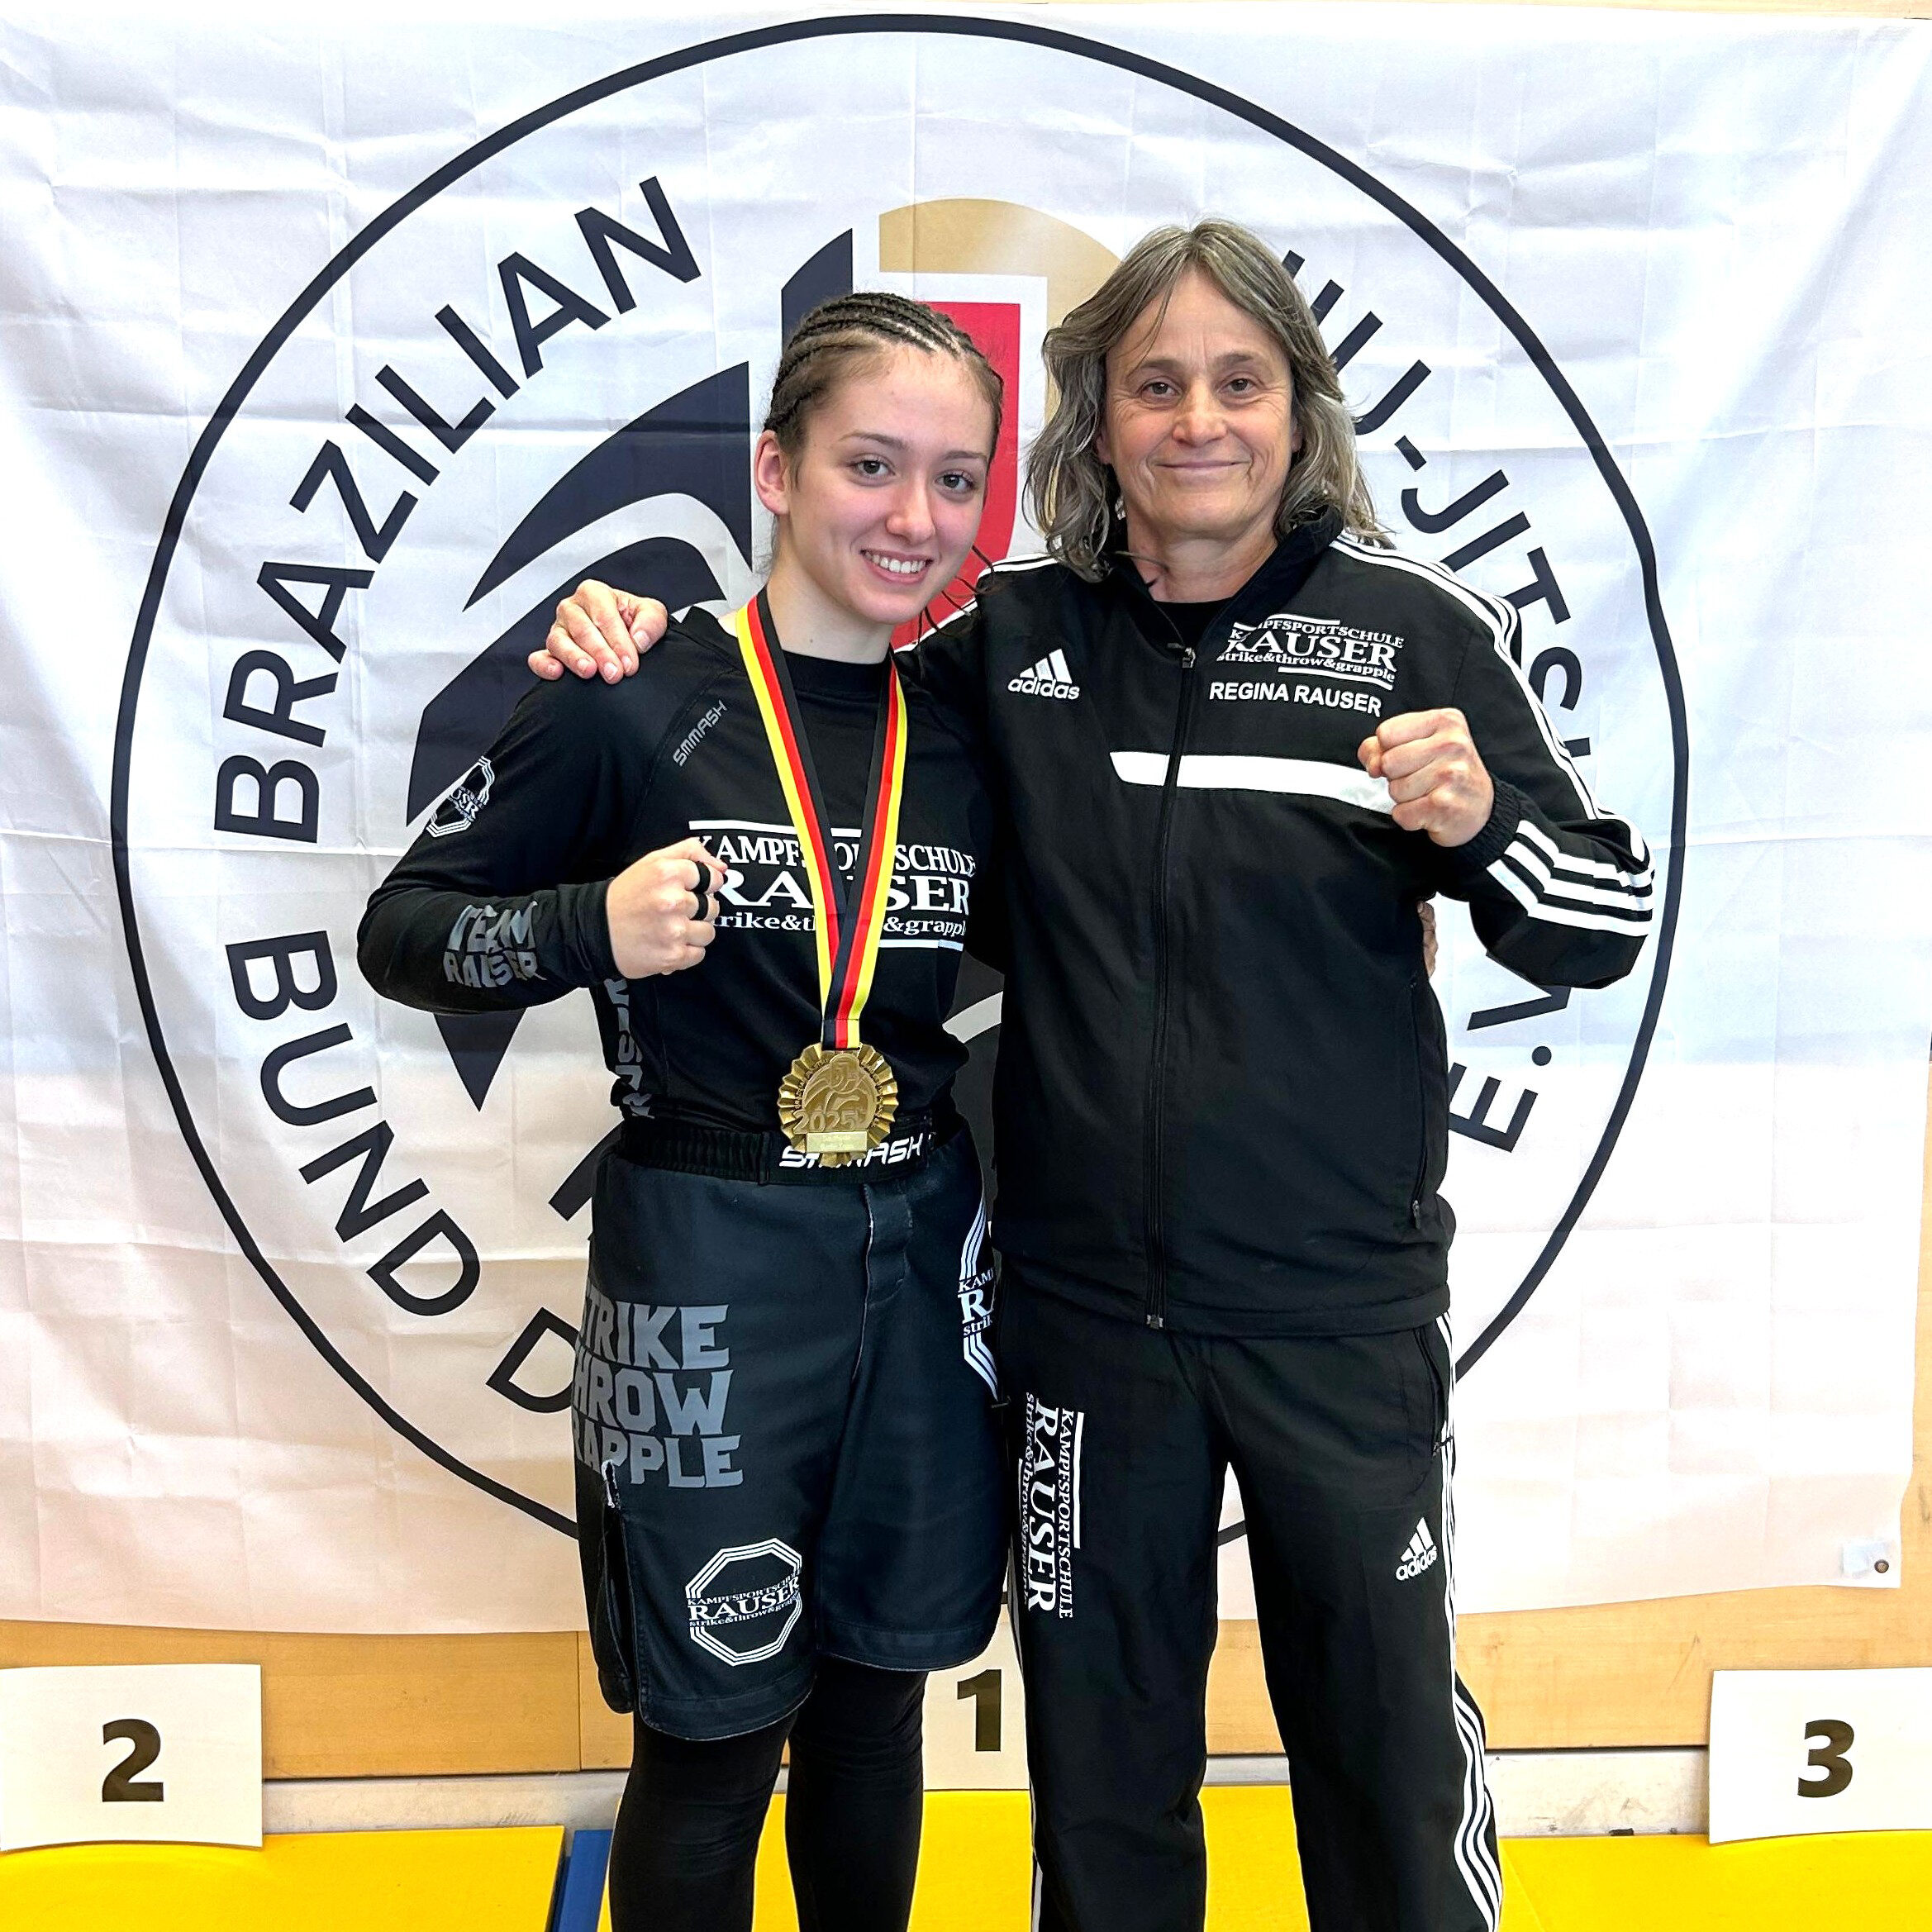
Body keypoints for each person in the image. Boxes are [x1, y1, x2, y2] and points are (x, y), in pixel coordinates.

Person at [536, 221, 1652, 1932]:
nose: (1197, 418)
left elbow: (1597, 926)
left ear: (1298, 410)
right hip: (1080, 1323)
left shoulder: (1412, 629)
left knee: (1382, 1751)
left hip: (1336, 1313)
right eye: (1155, 383)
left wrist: (1485, 821)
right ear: (1099, 418)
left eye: (1238, 381)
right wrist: (637, 632)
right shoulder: (1010, 639)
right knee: (1103, 1773)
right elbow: (803, 698)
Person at [359, 293, 1011, 1932]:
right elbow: (402, 929)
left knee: (874, 1704)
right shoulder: (632, 691)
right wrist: (590, 924)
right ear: (775, 469)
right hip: (706, 1254)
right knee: (712, 1739)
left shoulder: (975, 723)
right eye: (871, 464)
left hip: (922, 1246)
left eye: (953, 479)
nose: (913, 516)